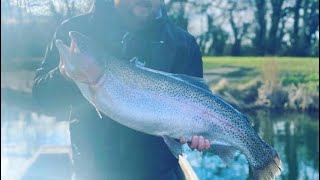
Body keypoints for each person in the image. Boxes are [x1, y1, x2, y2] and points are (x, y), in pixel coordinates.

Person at [32, 0, 211, 179]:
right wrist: (64, 76)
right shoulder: (77, 30)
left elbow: (198, 108)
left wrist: (197, 135)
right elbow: (42, 99)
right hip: (93, 173)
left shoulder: (184, 44)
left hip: (159, 174)